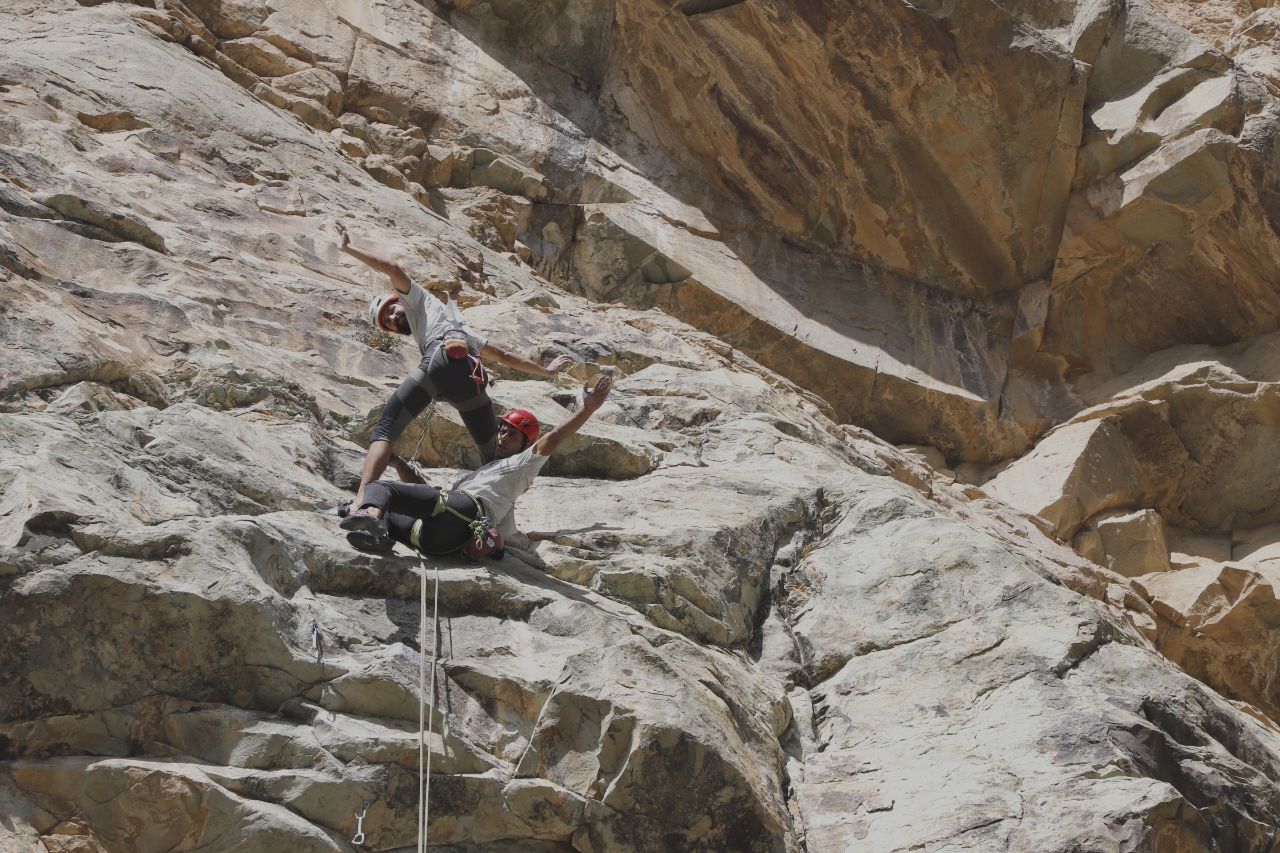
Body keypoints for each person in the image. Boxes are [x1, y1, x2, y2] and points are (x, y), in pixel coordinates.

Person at [335, 222, 573, 513]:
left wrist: (348, 248)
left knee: (385, 429)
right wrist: (545, 371)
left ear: (399, 299)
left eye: (391, 310)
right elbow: (504, 355)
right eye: (388, 323)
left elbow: (393, 268)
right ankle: (494, 512)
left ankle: (362, 501)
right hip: (471, 380)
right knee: (493, 456)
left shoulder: (417, 299)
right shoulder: (458, 324)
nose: (393, 319)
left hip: (441, 361)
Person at [341, 373, 612, 557]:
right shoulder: (484, 475)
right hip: (437, 541)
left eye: (513, 435)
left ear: (525, 446)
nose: (503, 437)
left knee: (379, 487)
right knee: (393, 504)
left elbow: (554, 438)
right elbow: (426, 495)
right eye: (502, 430)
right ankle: (380, 536)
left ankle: (369, 514)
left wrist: (586, 410)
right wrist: (399, 463)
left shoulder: (523, 465)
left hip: (466, 514)